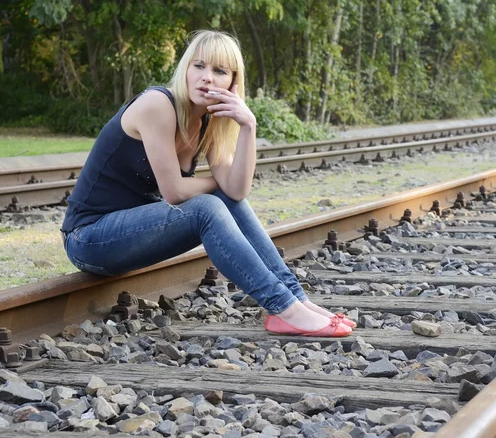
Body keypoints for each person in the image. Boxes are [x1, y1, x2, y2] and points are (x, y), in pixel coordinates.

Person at [61, 30, 354, 337]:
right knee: (207, 206)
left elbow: (237, 191)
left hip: (130, 234)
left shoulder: (210, 122)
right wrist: (217, 183)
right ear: (185, 69)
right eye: (198, 66)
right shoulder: (158, 105)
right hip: (89, 239)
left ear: (233, 83)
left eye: (219, 71)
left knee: (225, 199)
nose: (206, 78)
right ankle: (284, 308)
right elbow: (174, 192)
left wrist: (248, 125)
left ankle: (296, 300)